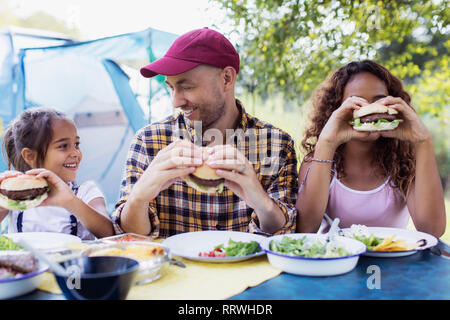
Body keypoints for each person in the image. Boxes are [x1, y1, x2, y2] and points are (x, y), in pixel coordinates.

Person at [112, 28, 298, 238]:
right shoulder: (148, 141)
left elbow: (285, 236)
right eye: (171, 88)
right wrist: (139, 197)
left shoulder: (276, 145)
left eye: (187, 87)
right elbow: (129, 238)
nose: (176, 102)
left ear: (227, 78)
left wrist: (260, 201)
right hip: (173, 270)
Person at [295, 60, 446, 238]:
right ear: (335, 111)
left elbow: (432, 230)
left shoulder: (404, 162)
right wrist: (326, 143)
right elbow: (304, 230)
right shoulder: (317, 160)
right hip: (337, 261)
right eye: (356, 103)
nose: (370, 111)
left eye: (379, 101)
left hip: (393, 260)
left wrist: (423, 142)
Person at [0, 107, 114, 239]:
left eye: (76, 144)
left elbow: (110, 233)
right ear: (30, 156)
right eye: (63, 146)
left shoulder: (86, 192)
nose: (76, 153)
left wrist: (71, 201)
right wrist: (3, 201)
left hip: (75, 260)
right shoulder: (14, 198)